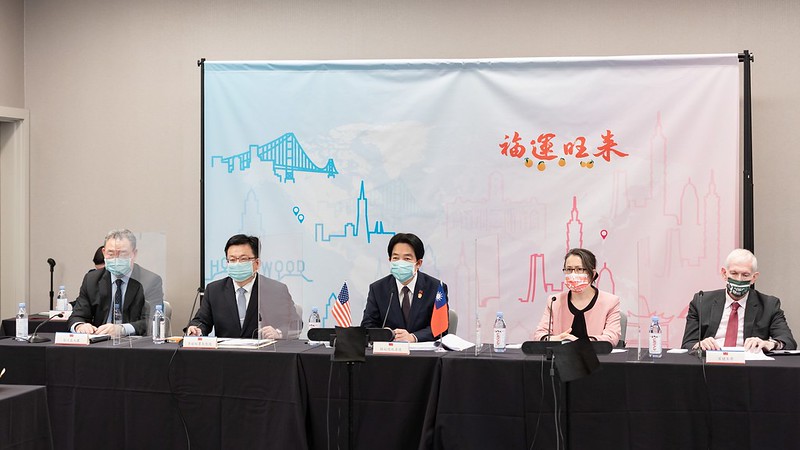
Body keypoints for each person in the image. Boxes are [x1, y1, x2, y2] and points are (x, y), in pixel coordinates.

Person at [681, 248, 796, 352]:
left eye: (745, 275)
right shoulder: (701, 301)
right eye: (734, 273)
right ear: (724, 273)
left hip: (750, 368)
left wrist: (769, 344)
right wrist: (699, 344)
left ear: (754, 278)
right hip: (710, 365)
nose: (739, 280)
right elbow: (687, 344)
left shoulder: (769, 305)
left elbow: (788, 342)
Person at [187, 234, 300, 339]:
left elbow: (295, 323)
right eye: (232, 260)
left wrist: (278, 333)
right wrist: (196, 329)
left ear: (257, 263)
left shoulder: (275, 290)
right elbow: (202, 321)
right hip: (226, 355)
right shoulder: (214, 290)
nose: (237, 264)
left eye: (243, 259)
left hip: (264, 355)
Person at [361, 233, 448, 342]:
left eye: (407, 258)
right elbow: (367, 326)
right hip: (388, 354)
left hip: (424, 356)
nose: (400, 263)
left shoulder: (436, 288)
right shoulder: (378, 289)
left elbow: (441, 328)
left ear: (418, 263)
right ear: (390, 260)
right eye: (396, 258)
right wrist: (384, 334)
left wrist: (413, 337)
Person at [69, 229, 149, 336]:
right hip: (99, 344)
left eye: (122, 254)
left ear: (134, 254)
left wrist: (122, 329)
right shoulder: (91, 280)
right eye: (111, 253)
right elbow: (77, 316)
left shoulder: (149, 281)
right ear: (104, 252)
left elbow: (151, 321)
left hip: (133, 345)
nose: (116, 259)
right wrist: (80, 325)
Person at [533, 248, 621, 345]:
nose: (573, 274)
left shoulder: (610, 302)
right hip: (560, 358)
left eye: (579, 269)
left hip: (595, 357)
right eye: (569, 269)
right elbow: (539, 335)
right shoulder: (554, 301)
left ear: (592, 273)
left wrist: (580, 342)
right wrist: (555, 339)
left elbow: (611, 338)